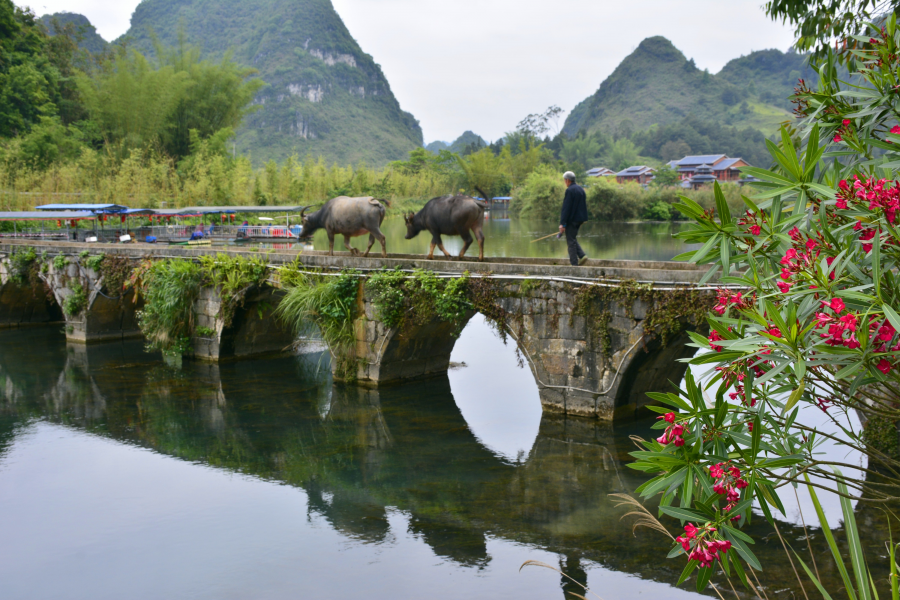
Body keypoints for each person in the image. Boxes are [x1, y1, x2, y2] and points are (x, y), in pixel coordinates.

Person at [559, 171, 588, 266]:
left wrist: (562, 223)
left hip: (572, 220)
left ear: (567, 180)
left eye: (564, 180)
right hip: (580, 219)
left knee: (570, 241)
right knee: (572, 238)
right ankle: (582, 256)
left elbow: (566, 208)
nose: (565, 182)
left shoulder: (569, 190)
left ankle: (574, 265)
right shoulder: (581, 189)